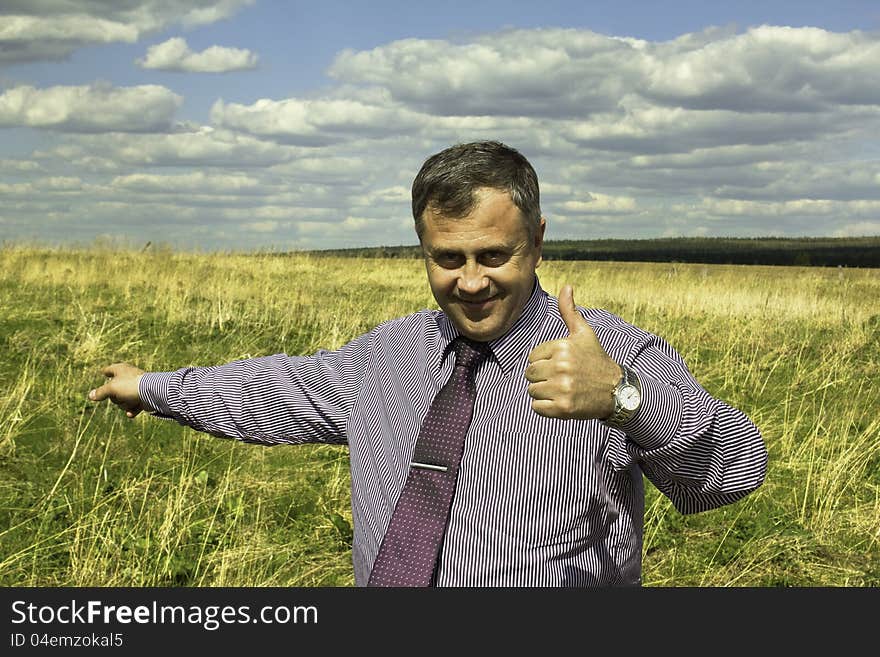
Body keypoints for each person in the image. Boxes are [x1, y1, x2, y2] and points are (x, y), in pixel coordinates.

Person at [88, 140, 768, 587]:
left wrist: (624, 399)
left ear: (537, 241)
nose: (470, 281)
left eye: (492, 254)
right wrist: (152, 387)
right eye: (448, 258)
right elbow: (271, 388)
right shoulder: (386, 356)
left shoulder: (606, 353)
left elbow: (737, 469)